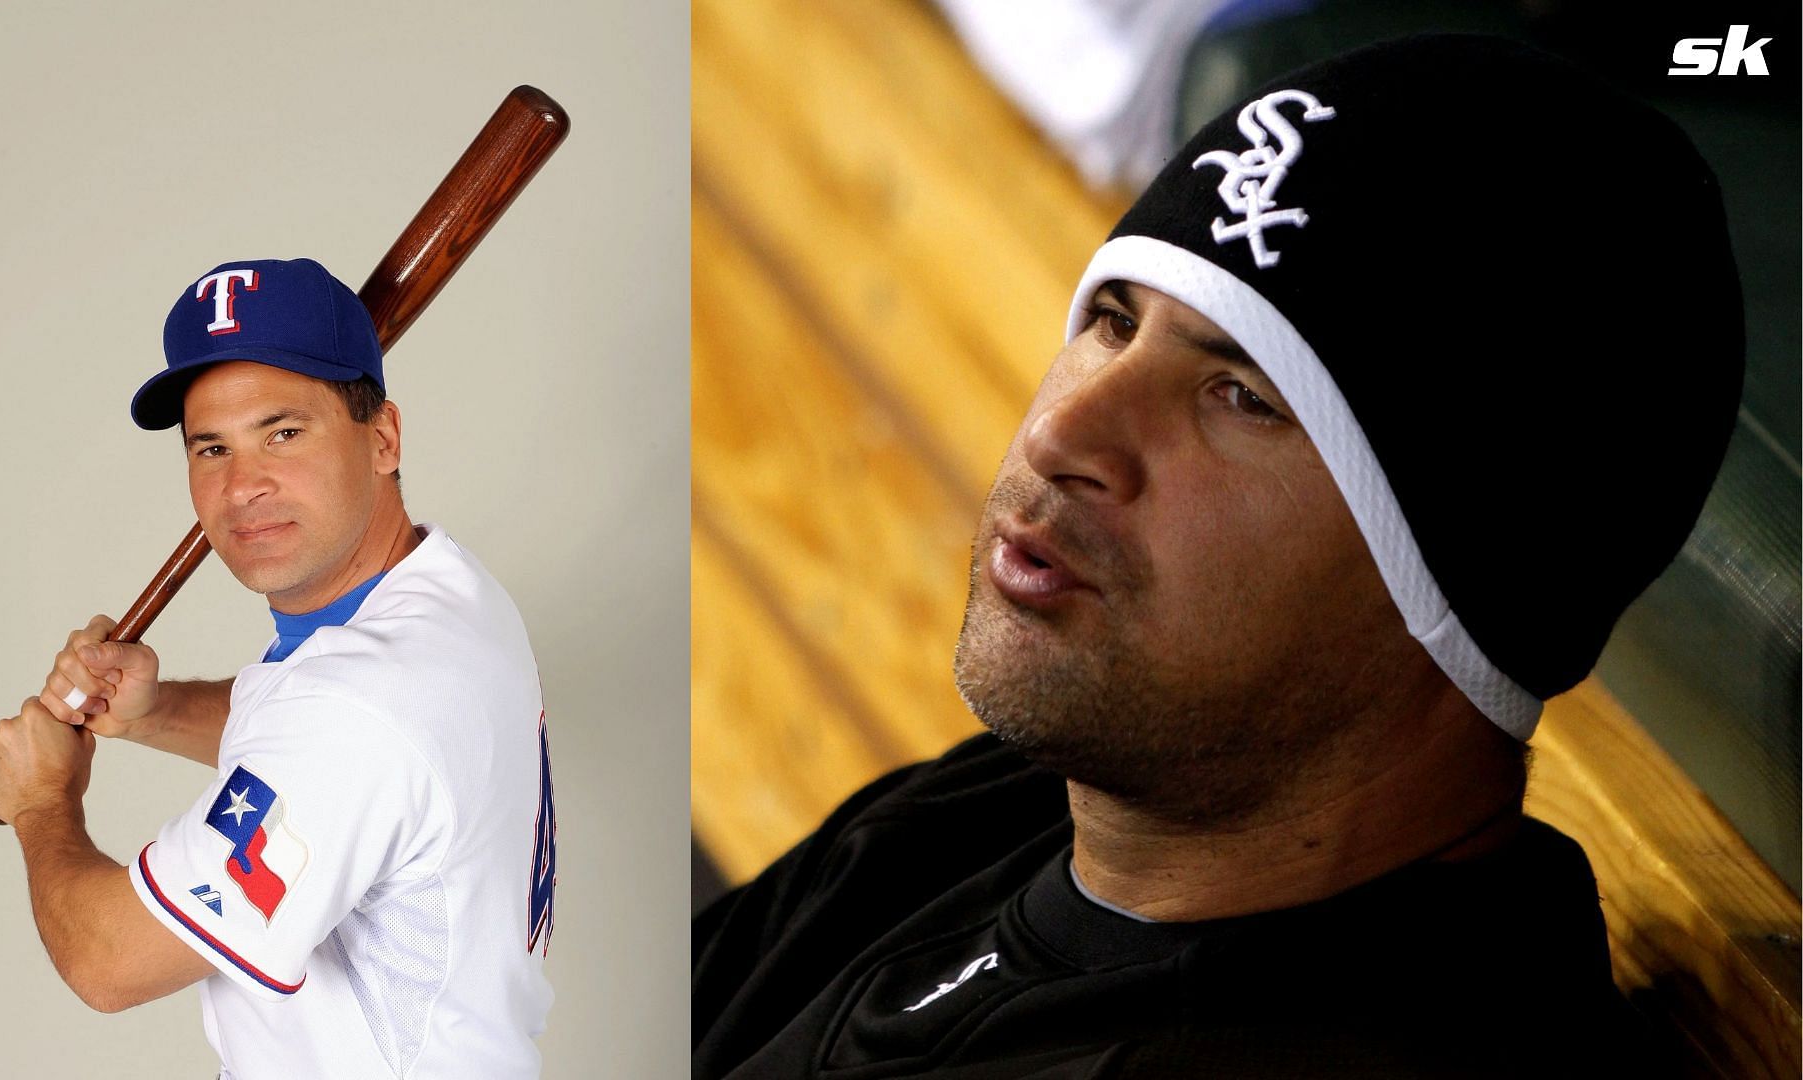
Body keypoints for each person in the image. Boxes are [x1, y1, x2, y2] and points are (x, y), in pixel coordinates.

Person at [692, 34, 1741, 1078]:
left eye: (1242, 397)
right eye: (1111, 321)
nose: (1063, 439)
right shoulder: (1023, 805)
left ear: (1458, 584)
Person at [0, 258, 557, 1079]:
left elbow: (109, 963)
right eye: (211, 447)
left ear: (382, 437)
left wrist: (42, 804)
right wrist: (151, 711)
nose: (243, 486)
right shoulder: (445, 595)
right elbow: (314, 743)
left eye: (284, 432)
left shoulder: (357, 704)